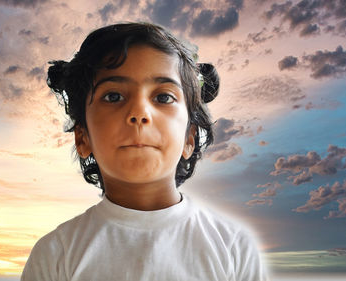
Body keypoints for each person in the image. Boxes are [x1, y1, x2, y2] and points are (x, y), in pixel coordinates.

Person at [21, 22, 268, 281]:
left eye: (163, 98)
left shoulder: (233, 248)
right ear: (82, 138)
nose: (139, 113)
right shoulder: (55, 255)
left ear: (189, 138)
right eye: (114, 96)